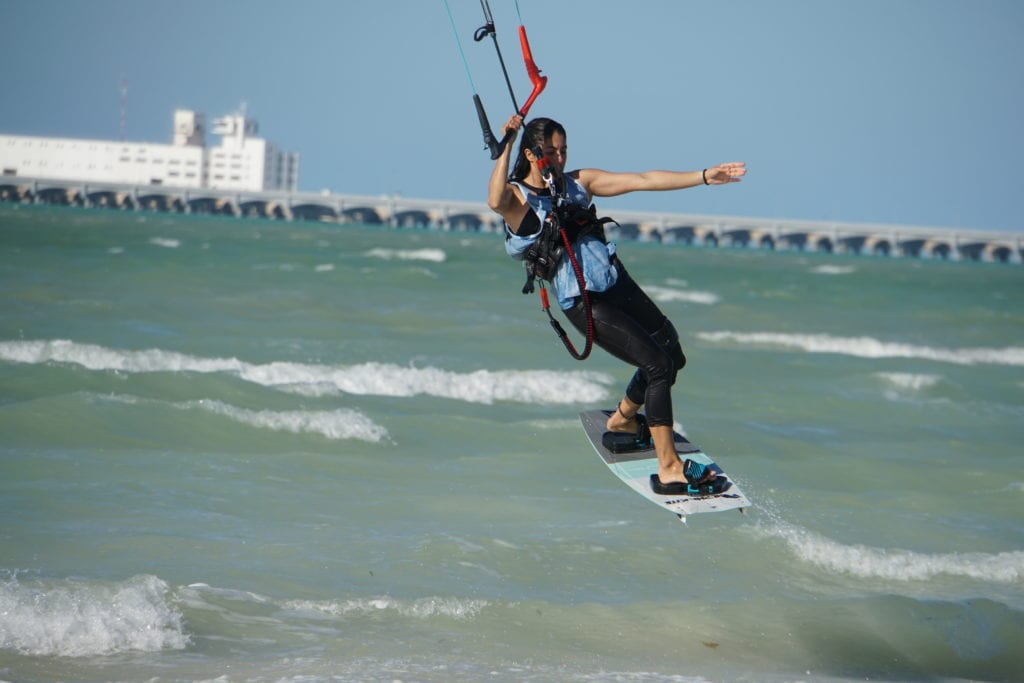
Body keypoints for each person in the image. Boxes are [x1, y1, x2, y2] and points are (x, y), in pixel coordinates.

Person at [487, 114, 746, 495]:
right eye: (550, 153)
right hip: (585, 302)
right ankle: (669, 467)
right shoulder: (519, 201)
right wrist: (505, 144)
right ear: (531, 153)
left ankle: (623, 420)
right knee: (656, 366)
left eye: (563, 151)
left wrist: (705, 175)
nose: (559, 159)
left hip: (615, 282)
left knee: (672, 354)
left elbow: (642, 180)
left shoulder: (578, 184)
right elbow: (494, 200)